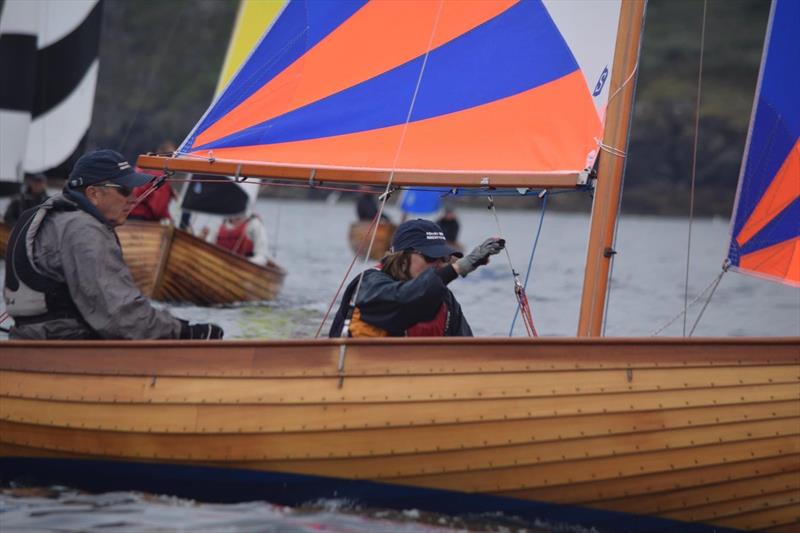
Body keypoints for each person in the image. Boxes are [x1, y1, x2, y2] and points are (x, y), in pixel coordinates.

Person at [3, 149, 223, 340]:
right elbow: (121, 316)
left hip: (29, 341)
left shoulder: (48, 216)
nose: (134, 199)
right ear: (94, 194)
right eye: (125, 190)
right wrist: (185, 331)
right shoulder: (83, 230)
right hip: (66, 349)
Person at [329, 219, 504, 337]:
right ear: (402, 258)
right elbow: (404, 298)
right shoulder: (369, 284)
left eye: (443, 258)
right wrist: (456, 268)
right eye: (430, 257)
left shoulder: (445, 299)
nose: (438, 264)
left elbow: (468, 354)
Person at [205, 213, 269, 265]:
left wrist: (241, 263)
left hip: (244, 271)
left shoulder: (254, 224)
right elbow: (208, 249)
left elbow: (262, 257)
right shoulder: (219, 223)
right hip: (217, 265)